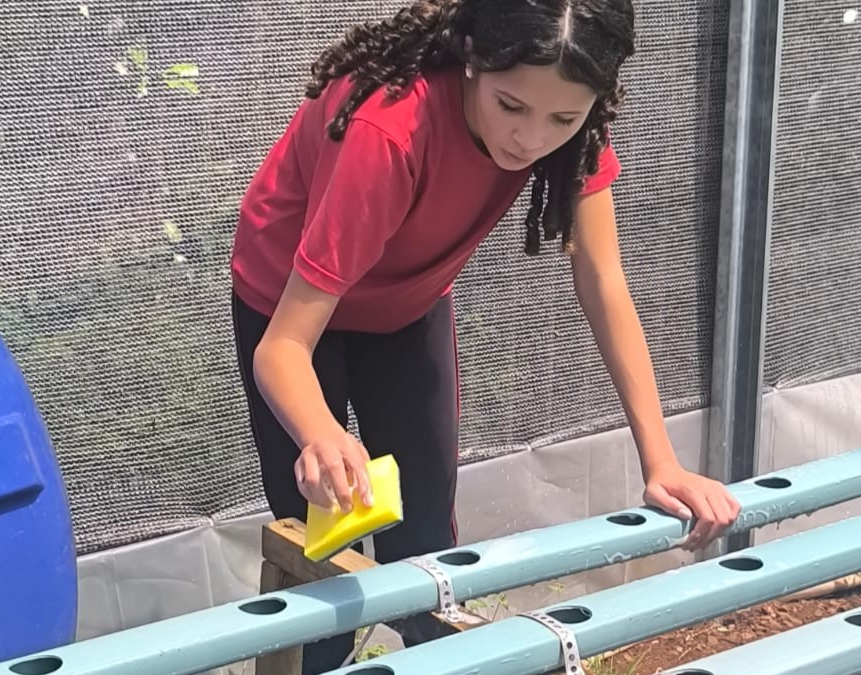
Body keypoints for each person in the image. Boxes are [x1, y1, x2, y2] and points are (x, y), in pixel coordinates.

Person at [229, 0, 741, 669]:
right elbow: (283, 347)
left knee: (427, 543)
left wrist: (661, 460)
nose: (531, 137)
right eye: (510, 106)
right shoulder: (391, 128)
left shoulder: (566, 106)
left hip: (407, 306)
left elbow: (603, 280)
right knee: (325, 550)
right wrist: (322, 433)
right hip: (289, 305)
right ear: (472, 58)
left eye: (562, 117)